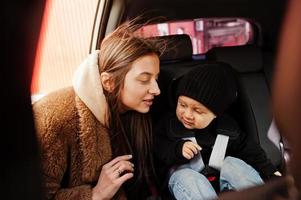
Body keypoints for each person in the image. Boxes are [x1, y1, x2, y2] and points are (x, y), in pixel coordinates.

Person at [33, 20, 164, 200]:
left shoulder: (133, 114)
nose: (156, 90)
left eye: (156, 78)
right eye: (144, 79)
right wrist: (95, 195)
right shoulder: (54, 118)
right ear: (108, 82)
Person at [154, 64, 281, 200]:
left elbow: (250, 151)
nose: (187, 114)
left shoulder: (227, 128)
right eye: (182, 105)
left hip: (222, 185)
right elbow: (157, 148)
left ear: (216, 113)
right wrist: (177, 149)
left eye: (197, 111)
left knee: (234, 164)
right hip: (186, 185)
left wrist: (271, 172)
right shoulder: (169, 125)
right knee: (187, 177)